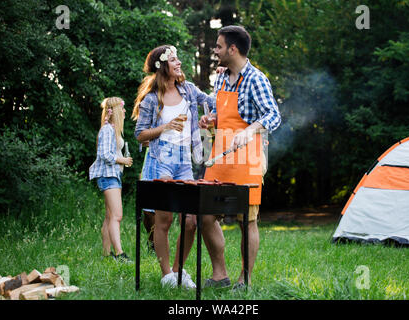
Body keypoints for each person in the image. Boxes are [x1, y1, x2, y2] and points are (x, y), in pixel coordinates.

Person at [199, 25, 281, 290]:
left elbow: (273, 115)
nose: (216, 50)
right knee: (206, 216)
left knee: (247, 221)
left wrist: (250, 129)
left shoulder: (257, 79)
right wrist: (210, 120)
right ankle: (220, 274)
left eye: (219, 46)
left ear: (233, 49)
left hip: (247, 159)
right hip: (219, 157)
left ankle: (244, 279)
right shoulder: (221, 78)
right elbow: (221, 113)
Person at [133, 45, 215, 289]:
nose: (179, 63)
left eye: (178, 59)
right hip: (160, 160)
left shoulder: (188, 90)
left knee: (191, 220)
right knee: (164, 220)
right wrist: (165, 128)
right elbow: (140, 134)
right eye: (173, 60)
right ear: (161, 66)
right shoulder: (151, 98)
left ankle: (179, 272)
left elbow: (212, 101)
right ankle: (167, 274)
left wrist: (221, 78)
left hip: (183, 161)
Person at [89, 97, 134, 263]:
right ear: (114, 110)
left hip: (114, 175)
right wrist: (122, 160)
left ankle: (106, 255)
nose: (124, 111)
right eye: (122, 109)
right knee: (117, 215)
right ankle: (120, 254)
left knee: (109, 217)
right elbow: (104, 154)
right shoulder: (107, 130)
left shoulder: (113, 130)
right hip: (108, 176)